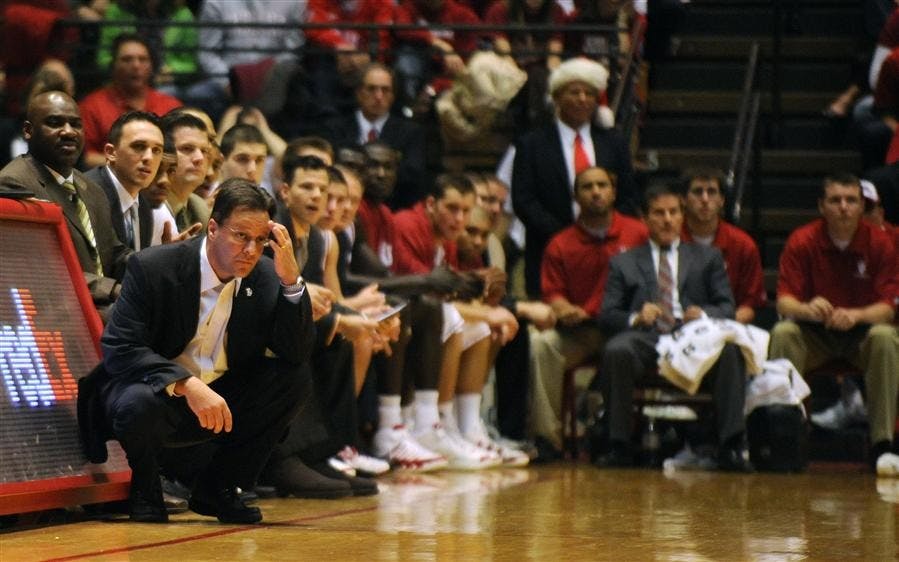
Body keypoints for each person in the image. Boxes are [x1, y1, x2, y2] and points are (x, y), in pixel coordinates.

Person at [79, 178, 315, 524]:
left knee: (294, 380)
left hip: (218, 395)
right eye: (241, 236)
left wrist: (291, 283)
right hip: (154, 391)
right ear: (213, 228)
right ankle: (145, 487)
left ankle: (221, 487)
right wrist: (185, 383)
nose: (251, 250)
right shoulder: (154, 266)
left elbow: (295, 352)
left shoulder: (266, 276)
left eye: (260, 239)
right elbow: (120, 347)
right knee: (137, 403)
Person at [596, 183, 750, 471]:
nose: (667, 220)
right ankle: (618, 444)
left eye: (673, 212)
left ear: (682, 216)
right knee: (617, 349)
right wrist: (636, 317)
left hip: (692, 335)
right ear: (645, 218)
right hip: (648, 337)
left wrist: (703, 313)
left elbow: (727, 307)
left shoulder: (708, 257)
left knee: (730, 350)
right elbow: (607, 315)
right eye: (659, 213)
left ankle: (731, 446)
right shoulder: (624, 262)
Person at [768, 174, 899, 470]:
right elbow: (784, 302)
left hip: (862, 335)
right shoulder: (802, 240)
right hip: (815, 333)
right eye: (835, 200)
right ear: (821, 206)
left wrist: (856, 315)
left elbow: (888, 308)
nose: (843, 207)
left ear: (861, 206)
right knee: (783, 332)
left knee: (885, 338)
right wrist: (806, 308)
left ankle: (882, 445)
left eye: (851, 200)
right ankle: (783, 438)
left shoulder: (880, 243)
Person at [529, 166, 647, 452]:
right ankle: (547, 438)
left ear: (613, 192)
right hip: (581, 332)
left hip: (626, 330)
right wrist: (562, 308)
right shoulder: (560, 243)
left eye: (602, 185)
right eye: (587, 187)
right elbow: (553, 293)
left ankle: (621, 436)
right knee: (541, 344)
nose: (596, 192)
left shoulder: (639, 234)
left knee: (622, 350)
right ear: (575, 196)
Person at [512, 56, 635, 297]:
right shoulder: (532, 144)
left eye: (589, 93)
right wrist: (567, 237)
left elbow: (628, 196)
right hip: (549, 248)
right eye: (574, 92)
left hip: (608, 252)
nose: (582, 99)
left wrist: (607, 231)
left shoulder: (614, 142)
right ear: (557, 97)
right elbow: (524, 200)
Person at [0, 91, 130, 310]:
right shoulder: (13, 184)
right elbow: (40, 268)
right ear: (28, 131)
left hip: (101, 308)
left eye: (76, 124)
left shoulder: (92, 188)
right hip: (55, 313)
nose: (69, 132)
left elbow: (114, 254)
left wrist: (160, 260)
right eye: (55, 123)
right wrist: (112, 289)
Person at [321, 63, 428, 209]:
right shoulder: (335, 128)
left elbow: (412, 176)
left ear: (393, 96)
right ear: (359, 93)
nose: (378, 96)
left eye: (385, 90)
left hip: (391, 207)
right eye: (371, 89)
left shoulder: (410, 132)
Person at [79, 33, 182, 168]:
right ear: (113, 65)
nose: (136, 66)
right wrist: (130, 164)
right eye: (127, 59)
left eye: (143, 59)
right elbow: (87, 158)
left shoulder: (171, 106)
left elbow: (181, 154)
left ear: (152, 66)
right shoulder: (91, 106)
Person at [679, 168, 766, 324]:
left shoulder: (743, 245)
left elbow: (750, 306)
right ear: (683, 200)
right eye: (697, 192)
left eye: (712, 192)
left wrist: (715, 325)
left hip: (727, 327)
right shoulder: (670, 239)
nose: (705, 199)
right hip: (678, 325)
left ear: (722, 200)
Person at [84, 110, 164, 252]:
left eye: (156, 150)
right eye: (139, 146)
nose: (149, 157)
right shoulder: (86, 195)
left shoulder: (144, 207)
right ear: (111, 153)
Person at [161, 110, 211, 233]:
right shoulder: (144, 205)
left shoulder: (201, 209)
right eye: (187, 149)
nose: (199, 158)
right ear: (163, 153)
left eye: (204, 151)